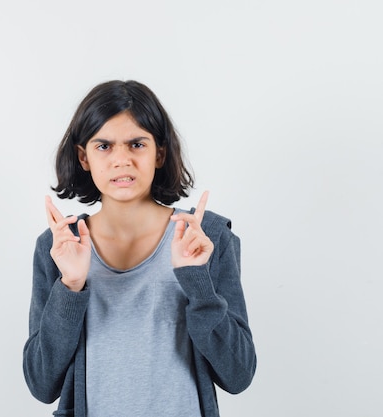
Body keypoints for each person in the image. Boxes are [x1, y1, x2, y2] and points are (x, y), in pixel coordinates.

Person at [23, 80, 256, 417]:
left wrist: (197, 283)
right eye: (103, 146)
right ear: (83, 156)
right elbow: (42, 384)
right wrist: (69, 287)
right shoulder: (59, 246)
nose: (122, 160)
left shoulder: (205, 237)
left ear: (159, 153)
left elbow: (238, 375)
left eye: (136, 144)